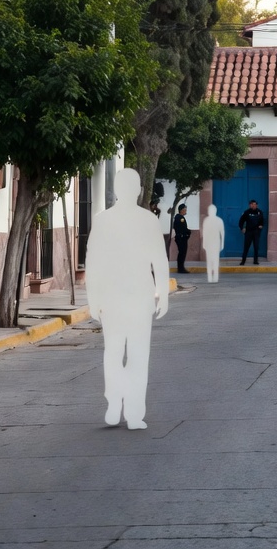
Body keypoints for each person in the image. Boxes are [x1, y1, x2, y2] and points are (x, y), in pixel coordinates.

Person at [85, 168, 169, 430]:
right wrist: (163, 294)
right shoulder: (149, 220)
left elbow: (92, 262)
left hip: (113, 297)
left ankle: (114, 405)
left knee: (113, 352)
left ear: (116, 190)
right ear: (139, 190)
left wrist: (93, 298)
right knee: (138, 355)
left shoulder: (103, 220)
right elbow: (160, 261)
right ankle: (133, 414)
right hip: (139, 297)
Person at [201, 204, 225, 283]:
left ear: (215, 211)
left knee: (215, 261)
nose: (211, 211)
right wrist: (204, 243)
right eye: (209, 210)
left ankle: (215, 277)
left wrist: (222, 244)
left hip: (216, 243)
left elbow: (222, 233)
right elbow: (204, 233)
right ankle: (209, 278)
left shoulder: (219, 220)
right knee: (209, 261)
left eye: (212, 210)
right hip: (208, 243)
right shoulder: (206, 220)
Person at [238, 199, 264, 265]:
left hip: (256, 232)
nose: (254, 205)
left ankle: (255, 261)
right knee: (246, 247)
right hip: (249, 232)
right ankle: (243, 261)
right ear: (250, 205)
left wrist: (261, 225)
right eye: (252, 204)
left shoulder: (259, 212)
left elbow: (262, 221)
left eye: (255, 204)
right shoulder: (246, 212)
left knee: (256, 247)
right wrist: (242, 228)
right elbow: (241, 221)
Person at [172, 204, 191, 274]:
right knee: (182, 253)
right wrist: (188, 232)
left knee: (181, 253)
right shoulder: (180, 218)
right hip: (181, 238)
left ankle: (181, 267)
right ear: (181, 210)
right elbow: (183, 229)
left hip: (180, 237)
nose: (186, 211)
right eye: (185, 210)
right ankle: (181, 268)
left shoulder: (178, 217)